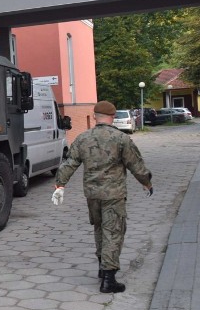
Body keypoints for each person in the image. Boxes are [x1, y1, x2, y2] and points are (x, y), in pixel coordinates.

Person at [52, 100, 153, 294]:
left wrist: (60, 184)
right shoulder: (121, 139)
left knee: (99, 229)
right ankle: (109, 279)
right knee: (113, 232)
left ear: (95, 115)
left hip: (92, 194)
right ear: (113, 117)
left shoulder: (82, 138)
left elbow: (70, 163)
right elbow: (136, 165)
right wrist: (146, 183)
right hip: (113, 195)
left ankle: (101, 266)